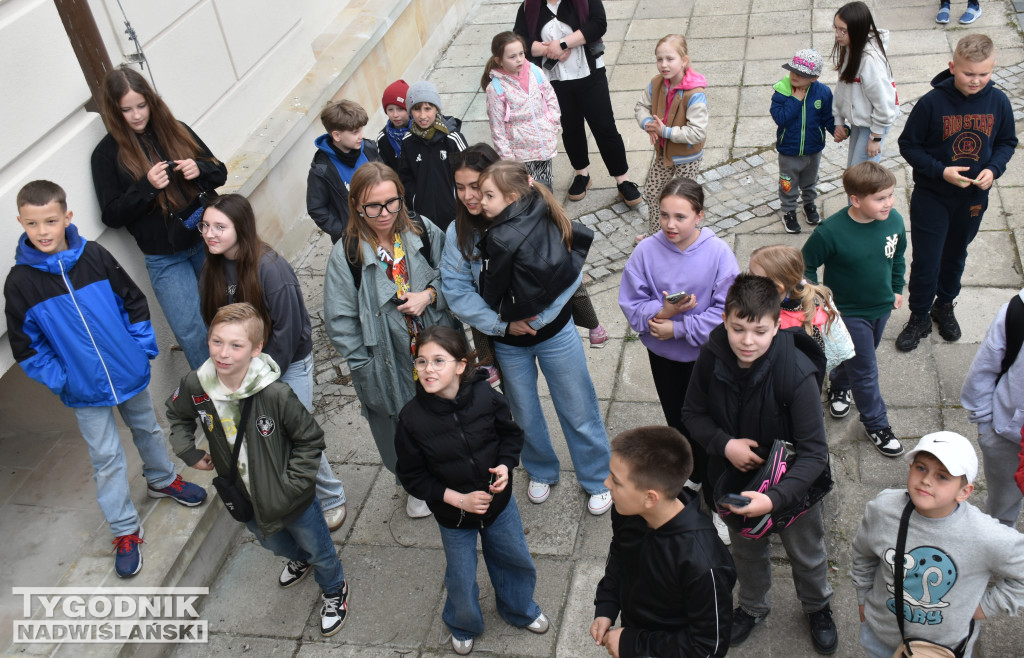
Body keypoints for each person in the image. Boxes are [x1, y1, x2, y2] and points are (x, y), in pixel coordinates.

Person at [4, 180, 207, 578]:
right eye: (32, 224)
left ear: (67, 217)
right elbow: (27, 347)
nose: (42, 231)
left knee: (148, 428)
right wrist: (63, 379)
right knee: (107, 458)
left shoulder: (95, 256)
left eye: (50, 220)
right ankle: (125, 530)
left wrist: (141, 349)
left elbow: (133, 301)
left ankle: (162, 479)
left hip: (127, 371)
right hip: (83, 389)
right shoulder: (20, 283)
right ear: (20, 222)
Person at [443, 148, 613, 516]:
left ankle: (598, 477)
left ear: (502, 186)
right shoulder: (458, 232)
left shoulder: (539, 213)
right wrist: (503, 324)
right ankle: (540, 469)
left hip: (554, 333)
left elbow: (570, 272)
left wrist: (537, 319)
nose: (471, 197)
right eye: (461, 188)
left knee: (578, 406)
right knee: (523, 411)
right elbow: (456, 290)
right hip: (506, 341)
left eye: (478, 187)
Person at [166, 303, 349, 637]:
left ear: (255, 349)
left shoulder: (275, 393)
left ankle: (334, 587)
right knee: (275, 545)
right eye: (216, 342)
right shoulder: (197, 385)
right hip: (245, 496)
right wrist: (188, 450)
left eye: (236, 345)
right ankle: (300, 559)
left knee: (319, 548)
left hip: (292, 497)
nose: (223, 353)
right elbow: (177, 413)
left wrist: (294, 485)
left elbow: (309, 439)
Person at [681, 273, 837, 654]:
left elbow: (815, 453)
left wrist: (775, 499)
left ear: (776, 326)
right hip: (732, 479)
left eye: (759, 331)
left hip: (792, 485)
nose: (747, 341)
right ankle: (752, 606)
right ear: (724, 320)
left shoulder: (795, 373)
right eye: (738, 329)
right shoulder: (711, 355)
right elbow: (691, 412)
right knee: (746, 551)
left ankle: (817, 606)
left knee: (806, 553)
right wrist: (724, 444)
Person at [395, 326, 549, 655]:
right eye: (421, 361)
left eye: (438, 360)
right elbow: (412, 476)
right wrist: (456, 498)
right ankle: (463, 624)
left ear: (461, 365)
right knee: (461, 577)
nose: (428, 369)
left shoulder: (485, 395)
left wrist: (506, 467)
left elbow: (510, 435)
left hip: (500, 505)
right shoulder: (411, 419)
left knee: (515, 560)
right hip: (455, 515)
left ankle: (519, 608)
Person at [198, 193, 348, 530]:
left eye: (220, 227)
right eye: (205, 226)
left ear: (241, 228)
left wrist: (258, 378)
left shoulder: (271, 269)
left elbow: (289, 331)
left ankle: (332, 496)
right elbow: (212, 319)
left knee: (295, 431)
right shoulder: (212, 267)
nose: (210, 234)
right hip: (246, 368)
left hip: (288, 362)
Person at [323, 162, 460, 518]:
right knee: (401, 425)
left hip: (434, 348)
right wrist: (364, 363)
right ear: (356, 205)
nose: (384, 214)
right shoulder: (347, 254)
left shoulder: (423, 231)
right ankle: (416, 485)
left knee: (446, 412)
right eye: (373, 206)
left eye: (392, 202)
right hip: (386, 357)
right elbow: (340, 321)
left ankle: (453, 469)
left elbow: (454, 277)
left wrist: (428, 295)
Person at [618, 177, 738, 536]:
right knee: (679, 420)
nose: (670, 225)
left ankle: (720, 497)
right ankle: (694, 477)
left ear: (699, 216)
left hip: (707, 359)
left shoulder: (718, 254)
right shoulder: (646, 253)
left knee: (713, 427)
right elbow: (632, 304)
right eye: (664, 215)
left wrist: (679, 329)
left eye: (680, 217)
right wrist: (666, 314)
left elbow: (725, 313)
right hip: (666, 359)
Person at [91, 66, 227, 369]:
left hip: (207, 241)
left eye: (142, 105)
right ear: (114, 111)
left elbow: (220, 172)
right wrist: (146, 188)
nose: (137, 115)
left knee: (228, 316)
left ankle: (252, 389)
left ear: (152, 101)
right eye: (127, 110)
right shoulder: (106, 153)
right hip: (165, 257)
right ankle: (217, 403)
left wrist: (200, 169)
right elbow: (111, 215)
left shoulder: (175, 129)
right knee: (191, 332)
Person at [851, 432, 1024, 657]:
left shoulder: (984, 535)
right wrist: (863, 596)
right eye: (921, 468)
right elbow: (863, 553)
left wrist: (986, 607)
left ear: (964, 491)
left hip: (942, 649)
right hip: (881, 638)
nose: (926, 480)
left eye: (942, 476)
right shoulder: (882, 509)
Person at [896, 33, 1018, 352]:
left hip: (973, 199)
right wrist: (941, 171)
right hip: (932, 196)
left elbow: (1007, 142)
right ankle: (919, 316)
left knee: (955, 256)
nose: (976, 80)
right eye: (968, 73)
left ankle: (944, 306)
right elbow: (908, 145)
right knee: (927, 260)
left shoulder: (999, 102)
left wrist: (994, 168)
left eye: (983, 74)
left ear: (992, 69)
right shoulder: (931, 103)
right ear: (953, 67)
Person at [591, 426, 736, 657]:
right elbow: (620, 552)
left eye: (616, 481)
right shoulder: (627, 512)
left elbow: (708, 647)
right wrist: (607, 603)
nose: (606, 483)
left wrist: (632, 644)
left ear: (650, 498)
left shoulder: (704, 563)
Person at [802, 161, 907, 458]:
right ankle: (876, 423)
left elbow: (898, 255)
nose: (889, 203)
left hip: (882, 307)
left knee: (857, 357)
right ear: (856, 200)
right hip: (848, 312)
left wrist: (897, 287)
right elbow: (807, 263)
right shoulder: (830, 232)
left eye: (890, 195)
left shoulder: (894, 221)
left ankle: (838, 383)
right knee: (866, 370)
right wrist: (817, 297)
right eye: (880, 198)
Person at [513, 0, 641, 205]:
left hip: (590, 74)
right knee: (571, 129)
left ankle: (622, 180)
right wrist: (549, 50)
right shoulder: (530, 6)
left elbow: (598, 24)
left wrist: (563, 44)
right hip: (554, 80)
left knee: (605, 127)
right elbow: (519, 42)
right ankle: (582, 175)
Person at [960, 289, 1024, 527]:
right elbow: (983, 372)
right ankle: (1000, 540)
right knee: (1002, 506)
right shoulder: (1016, 314)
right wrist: (985, 425)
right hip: (1007, 437)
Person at [634, 34, 707, 235]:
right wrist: (648, 123)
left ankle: (690, 237)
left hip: (687, 157)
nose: (664, 64)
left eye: (670, 59)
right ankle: (656, 235)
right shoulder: (656, 83)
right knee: (653, 192)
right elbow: (641, 106)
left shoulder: (695, 94)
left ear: (684, 61)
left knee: (685, 201)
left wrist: (664, 131)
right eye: (659, 59)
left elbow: (697, 132)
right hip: (664, 153)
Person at [771, 49, 838, 234]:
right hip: (789, 150)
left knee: (810, 182)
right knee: (787, 183)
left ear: (814, 77)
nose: (794, 76)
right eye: (793, 71)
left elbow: (828, 118)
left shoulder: (823, 92)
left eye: (801, 74)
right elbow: (780, 118)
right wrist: (795, 99)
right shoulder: (782, 91)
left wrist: (837, 130)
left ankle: (809, 205)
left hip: (813, 149)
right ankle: (789, 211)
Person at [483, 31, 561, 189]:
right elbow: (497, 129)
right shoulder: (496, 89)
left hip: (542, 147)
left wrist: (553, 123)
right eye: (512, 57)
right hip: (519, 155)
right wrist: (508, 160)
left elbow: (550, 97)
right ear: (499, 60)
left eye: (521, 54)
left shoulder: (536, 72)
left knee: (546, 190)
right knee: (527, 195)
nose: (519, 60)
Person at [830, 2, 899, 167]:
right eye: (836, 28)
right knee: (853, 173)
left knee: (861, 178)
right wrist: (838, 119)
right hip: (860, 121)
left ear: (858, 30)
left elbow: (884, 103)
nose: (837, 34)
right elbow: (842, 89)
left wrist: (876, 137)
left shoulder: (870, 62)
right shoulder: (849, 49)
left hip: (874, 125)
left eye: (843, 31)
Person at [306, 99, 382, 243]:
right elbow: (317, 208)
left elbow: (387, 179)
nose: (362, 135)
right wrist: (344, 232)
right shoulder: (321, 170)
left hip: (384, 226)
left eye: (361, 129)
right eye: (355, 132)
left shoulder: (369, 149)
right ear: (337, 135)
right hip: (355, 241)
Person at [396, 81, 468, 232]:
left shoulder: (451, 139)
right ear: (410, 112)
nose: (423, 115)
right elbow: (405, 177)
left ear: (436, 109)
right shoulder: (408, 142)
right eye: (416, 109)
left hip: (454, 213)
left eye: (428, 108)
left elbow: (467, 171)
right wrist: (414, 200)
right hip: (424, 216)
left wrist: (459, 201)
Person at [750, 244, 839, 353]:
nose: (748, 279)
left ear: (779, 287)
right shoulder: (800, 291)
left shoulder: (789, 325)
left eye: (753, 276)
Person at [376, 79, 411, 172]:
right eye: (390, 109)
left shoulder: (421, 131)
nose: (395, 115)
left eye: (400, 109)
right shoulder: (383, 138)